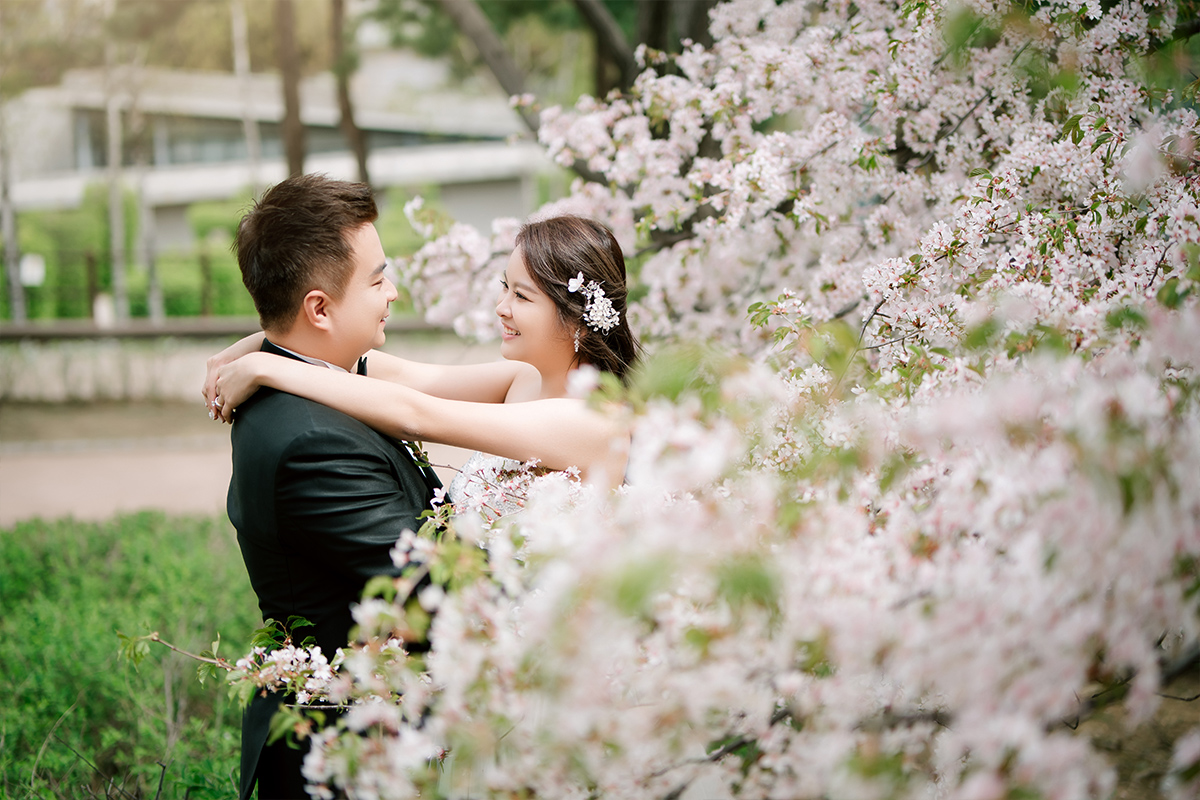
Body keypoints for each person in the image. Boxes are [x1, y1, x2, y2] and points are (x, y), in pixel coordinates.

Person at [222, 173, 441, 800]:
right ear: (319, 308)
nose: (392, 293)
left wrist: (255, 352)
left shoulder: (303, 377)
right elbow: (434, 587)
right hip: (346, 753)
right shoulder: (312, 442)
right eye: (377, 280)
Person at [204, 214, 642, 498]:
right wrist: (258, 343)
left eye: (522, 297)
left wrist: (267, 367)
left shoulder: (596, 422)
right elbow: (391, 375)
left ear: (577, 321)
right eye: (504, 287)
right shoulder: (522, 379)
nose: (501, 307)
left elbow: (416, 414)